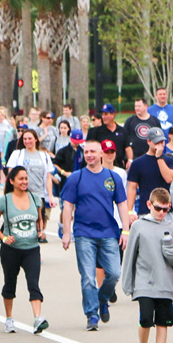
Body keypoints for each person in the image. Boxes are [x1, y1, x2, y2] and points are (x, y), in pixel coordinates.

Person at [60, 140, 129, 331]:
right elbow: (68, 206)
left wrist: (126, 230)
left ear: (101, 154)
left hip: (109, 233)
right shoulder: (77, 177)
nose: (89, 154)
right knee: (88, 277)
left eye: (93, 151)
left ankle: (102, 299)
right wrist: (67, 232)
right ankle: (92, 315)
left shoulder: (112, 177)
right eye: (87, 151)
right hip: (84, 234)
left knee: (114, 273)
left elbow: (122, 205)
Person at [121, 187, 173, 343]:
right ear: (149, 204)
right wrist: (128, 283)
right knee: (145, 318)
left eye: (165, 209)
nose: (161, 213)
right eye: (158, 208)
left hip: (165, 283)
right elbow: (130, 257)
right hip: (144, 283)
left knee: (163, 322)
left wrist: (171, 253)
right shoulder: (139, 226)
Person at [0, 166, 48, 334]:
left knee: (33, 283)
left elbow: (39, 219)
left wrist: (40, 231)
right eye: (20, 179)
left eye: (26, 179)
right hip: (11, 250)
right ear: (12, 181)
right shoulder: (4, 201)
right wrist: (4, 237)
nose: (24, 182)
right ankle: (9, 319)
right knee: (10, 283)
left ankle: (38, 318)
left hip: (31, 249)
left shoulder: (35, 198)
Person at [6, 128, 56, 241]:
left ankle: (36, 252)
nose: (27, 141)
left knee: (39, 224)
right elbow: (10, 175)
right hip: (22, 194)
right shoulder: (17, 154)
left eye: (30, 138)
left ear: (36, 140)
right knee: (23, 224)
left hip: (39, 195)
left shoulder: (44, 156)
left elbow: (48, 178)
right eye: (24, 139)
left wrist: (50, 196)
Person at [125, 128, 173, 219]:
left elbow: (169, 178)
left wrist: (159, 157)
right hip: (146, 210)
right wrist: (129, 211)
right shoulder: (137, 163)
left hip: (166, 211)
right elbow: (132, 188)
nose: (159, 145)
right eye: (156, 142)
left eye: (161, 142)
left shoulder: (170, 160)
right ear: (149, 141)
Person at [85, 104, 128, 169]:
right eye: (102, 114)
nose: (103, 117)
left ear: (113, 115)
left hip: (118, 166)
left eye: (106, 114)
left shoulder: (122, 131)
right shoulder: (96, 132)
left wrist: (130, 160)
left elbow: (128, 147)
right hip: (101, 168)